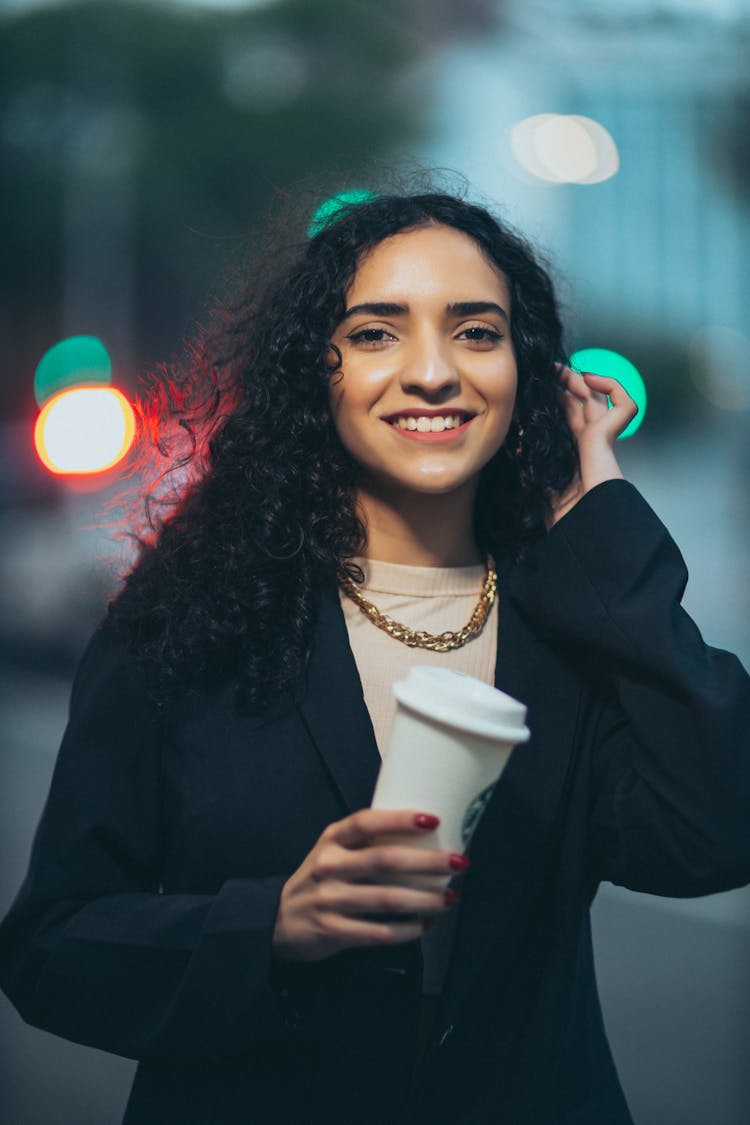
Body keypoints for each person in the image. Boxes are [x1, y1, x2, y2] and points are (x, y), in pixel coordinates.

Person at [1, 186, 749, 1125]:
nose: (433, 371)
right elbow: (50, 947)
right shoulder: (193, 620)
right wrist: (270, 924)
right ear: (316, 370)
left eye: (475, 332)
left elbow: (719, 828)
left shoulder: (571, 627)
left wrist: (599, 518)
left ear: (528, 372)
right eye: (376, 333)